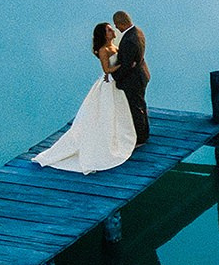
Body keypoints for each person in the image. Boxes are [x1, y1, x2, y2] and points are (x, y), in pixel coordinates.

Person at [33, 21, 137, 173]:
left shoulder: (114, 46)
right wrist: (125, 66)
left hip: (116, 83)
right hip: (109, 84)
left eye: (111, 29)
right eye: (108, 30)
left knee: (117, 112)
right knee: (106, 113)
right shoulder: (103, 50)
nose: (112, 31)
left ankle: (119, 137)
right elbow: (107, 69)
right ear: (103, 34)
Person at [110, 9, 150, 143]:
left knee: (135, 108)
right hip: (142, 74)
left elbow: (126, 65)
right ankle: (144, 133)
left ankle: (140, 138)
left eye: (117, 25)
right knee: (140, 105)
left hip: (134, 79)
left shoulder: (129, 40)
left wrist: (115, 77)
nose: (116, 28)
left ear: (122, 23)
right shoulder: (138, 32)